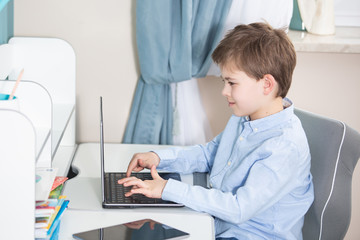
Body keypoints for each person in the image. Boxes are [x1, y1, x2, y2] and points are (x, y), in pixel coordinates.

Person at [118, 22, 314, 240]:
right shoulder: (244, 118)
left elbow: (238, 208)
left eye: (231, 83)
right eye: (224, 81)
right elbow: (209, 154)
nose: (224, 91)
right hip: (216, 225)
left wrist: (167, 189)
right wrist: (158, 158)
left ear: (266, 85)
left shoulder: (283, 147)